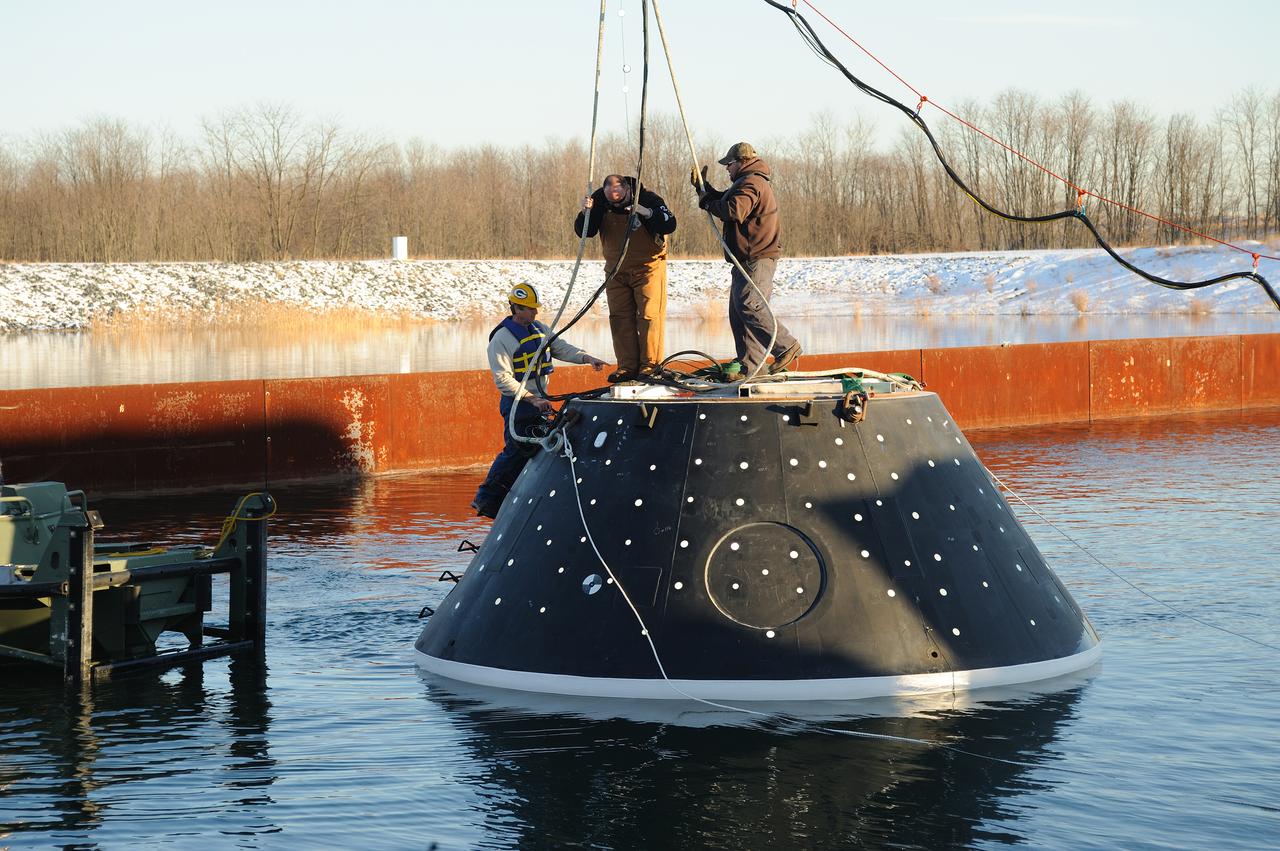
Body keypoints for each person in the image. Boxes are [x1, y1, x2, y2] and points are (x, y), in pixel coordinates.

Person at [470, 283, 607, 519]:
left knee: (539, 448)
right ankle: (487, 500)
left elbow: (561, 348)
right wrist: (531, 399)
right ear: (517, 308)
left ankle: (524, 498)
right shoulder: (501, 339)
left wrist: (586, 358)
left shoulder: (540, 330)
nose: (535, 312)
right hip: (518, 405)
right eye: (530, 309)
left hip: (538, 402)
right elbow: (503, 379)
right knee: (515, 450)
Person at [692, 142, 802, 379]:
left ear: (742, 162)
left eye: (729, 164)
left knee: (749, 305)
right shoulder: (746, 182)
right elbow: (726, 200)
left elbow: (734, 210)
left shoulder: (752, 182)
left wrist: (706, 202)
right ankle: (752, 369)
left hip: (757, 258)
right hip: (745, 259)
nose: (726, 168)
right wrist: (704, 189)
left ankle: (786, 346)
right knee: (739, 313)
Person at [574, 174, 677, 382]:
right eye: (611, 200)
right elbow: (585, 231)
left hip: (648, 268)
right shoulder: (599, 201)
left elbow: (670, 224)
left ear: (627, 190)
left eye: (620, 198)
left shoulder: (648, 198)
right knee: (620, 318)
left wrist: (646, 212)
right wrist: (586, 212)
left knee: (649, 316)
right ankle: (627, 366)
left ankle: (650, 365)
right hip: (616, 271)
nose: (616, 203)